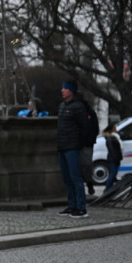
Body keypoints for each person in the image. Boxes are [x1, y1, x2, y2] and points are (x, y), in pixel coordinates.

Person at [57, 81, 90, 218]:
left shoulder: (78, 107)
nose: (62, 90)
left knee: (75, 177)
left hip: (72, 147)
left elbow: (85, 127)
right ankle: (72, 205)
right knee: (67, 178)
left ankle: (81, 207)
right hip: (62, 146)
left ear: (72, 91)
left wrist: (78, 143)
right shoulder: (62, 106)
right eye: (62, 88)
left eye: (65, 89)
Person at [103, 123, 123, 190]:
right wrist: (116, 158)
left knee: (113, 174)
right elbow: (112, 150)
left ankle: (110, 189)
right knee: (113, 173)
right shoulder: (111, 138)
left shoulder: (113, 137)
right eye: (114, 128)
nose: (116, 129)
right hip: (114, 158)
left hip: (114, 158)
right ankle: (107, 189)